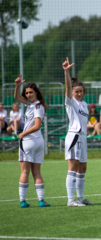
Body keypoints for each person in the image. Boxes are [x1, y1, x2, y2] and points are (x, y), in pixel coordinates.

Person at [13, 75, 50, 208]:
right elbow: (17, 97)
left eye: (30, 92)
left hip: (28, 141)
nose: (28, 95)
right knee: (37, 172)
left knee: (24, 172)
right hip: (38, 142)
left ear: (36, 93)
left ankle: (23, 201)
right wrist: (17, 86)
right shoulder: (31, 104)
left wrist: (22, 133)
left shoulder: (37, 106)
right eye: (27, 93)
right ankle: (41, 201)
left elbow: (37, 125)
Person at [63, 57, 93, 207]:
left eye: (81, 91)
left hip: (82, 137)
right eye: (77, 91)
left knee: (82, 168)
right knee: (73, 167)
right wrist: (66, 72)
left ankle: (81, 198)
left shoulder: (84, 104)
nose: (79, 94)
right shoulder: (70, 102)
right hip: (74, 136)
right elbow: (68, 88)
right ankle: (70, 200)